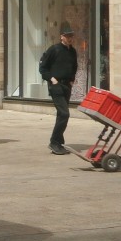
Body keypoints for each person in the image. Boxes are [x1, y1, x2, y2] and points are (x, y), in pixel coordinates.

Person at [39, 25, 78, 154]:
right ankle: (54, 142)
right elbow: (43, 68)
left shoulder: (72, 51)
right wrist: (52, 79)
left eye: (71, 36)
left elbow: (74, 67)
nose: (70, 38)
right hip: (56, 86)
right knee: (65, 113)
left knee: (61, 115)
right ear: (62, 37)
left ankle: (58, 142)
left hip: (67, 86)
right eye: (67, 36)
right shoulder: (54, 49)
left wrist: (72, 79)